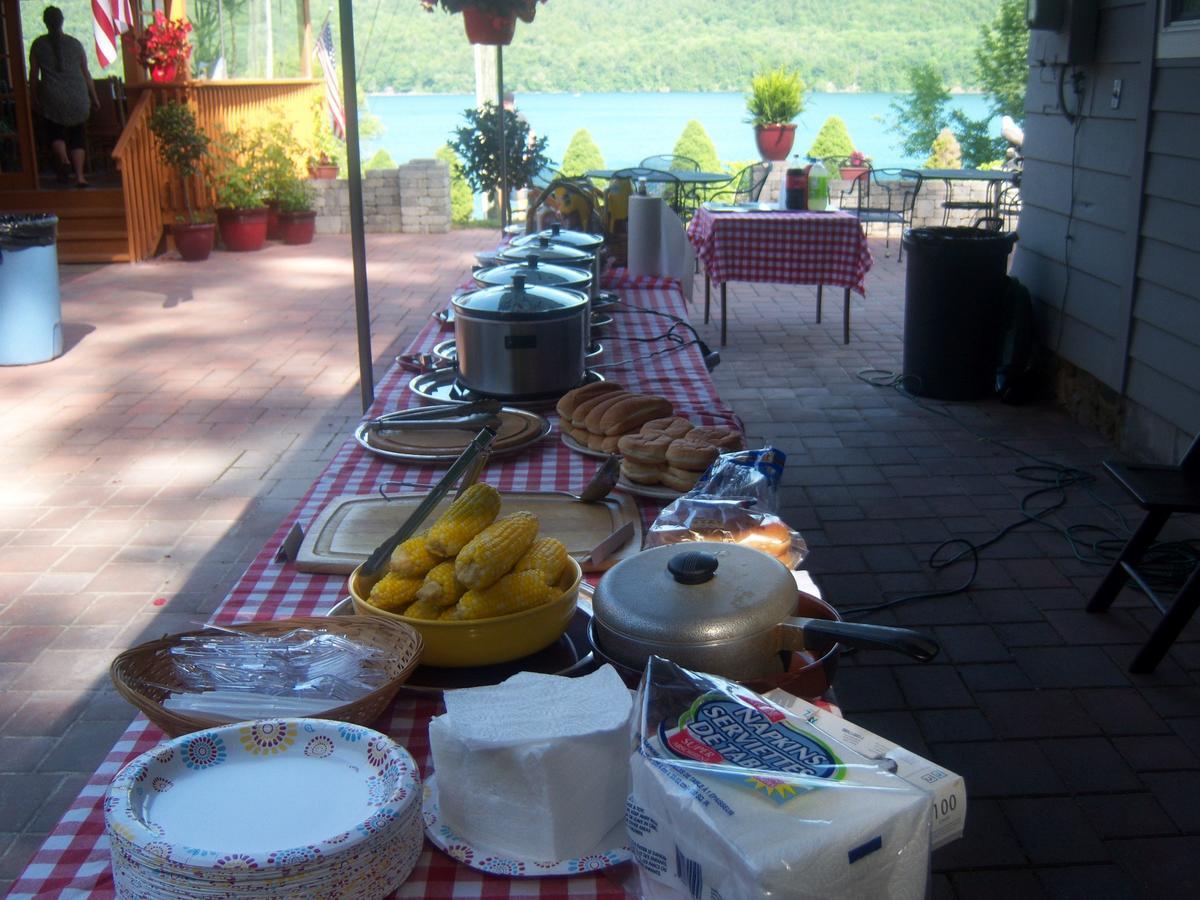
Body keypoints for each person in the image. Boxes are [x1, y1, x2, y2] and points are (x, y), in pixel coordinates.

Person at [29, 6, 99, 188]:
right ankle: (80, 177)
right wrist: (95, 97)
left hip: (52, 96)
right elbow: (86, 73)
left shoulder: (38, 45)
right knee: (78, 135)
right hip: (78, 94)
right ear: (62, 21)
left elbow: (33, 75)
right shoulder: (75, 44)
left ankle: (64, 159)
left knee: (55, 132)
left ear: (45, 22)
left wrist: (33, 96)